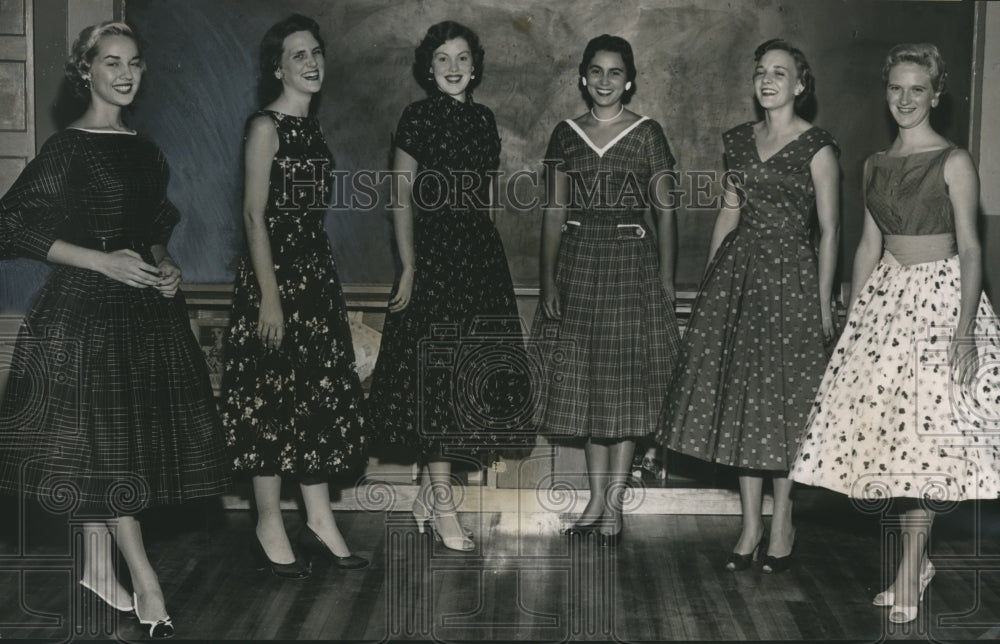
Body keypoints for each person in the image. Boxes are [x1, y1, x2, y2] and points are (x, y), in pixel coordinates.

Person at [0, 21, 230, 639]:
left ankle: (98, 567)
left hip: (144, 312)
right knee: (110, 451)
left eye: (133, 64)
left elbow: (155, 220)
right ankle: (146, 580)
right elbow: (10, 227)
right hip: (83, 313)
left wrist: (165, 261)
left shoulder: (145, 148)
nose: (125, 74)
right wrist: (104, 261)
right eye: (111, 63)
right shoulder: (67, 150)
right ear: (86, 72)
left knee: (116, 448)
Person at [790, 43, 1000, 624]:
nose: (905, 99)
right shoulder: (875, 163)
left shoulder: (954, 160)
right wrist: (855, 322)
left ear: (936, 96)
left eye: (917, 90)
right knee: (896, 450)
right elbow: (867, 245)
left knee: (929, 448)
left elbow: (973, 247)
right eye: (896, 89)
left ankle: (910, 570)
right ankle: (916, 563)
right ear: (886, 94)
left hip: (940, 305)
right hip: (887, 303)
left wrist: (964, 334)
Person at [659, 39, 840, 572]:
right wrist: (711, 283)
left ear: (799, 86)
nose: (768, 80)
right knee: (743, 403)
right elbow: (728, 214)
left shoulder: (819, 146)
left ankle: (782, 519)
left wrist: (825, 301)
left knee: (785, 406)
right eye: (761, 72)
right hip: (739, 280)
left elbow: (829, 231)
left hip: (794, 281)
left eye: (780, 73)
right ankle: (750, 523)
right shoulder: (739, 141)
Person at [367, 21, 527, 552]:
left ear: (474, 66)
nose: (454, 68)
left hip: (477, 257)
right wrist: (409, 266)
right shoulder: (416, 117)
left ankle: (428, 498)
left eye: (462, 58)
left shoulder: (483, 120)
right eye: (442, 60)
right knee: (437, 383)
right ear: (428, 71)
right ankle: (441, 506)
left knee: (465, 381)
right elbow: (400, 196)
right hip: (433, 259)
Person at [219, 14, 368, 578]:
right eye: (297, 55)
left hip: (315, 280)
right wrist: (270, 298)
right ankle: (268, 520)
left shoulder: (314, 128)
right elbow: (255, 216)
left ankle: (319, 517)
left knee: (316, 400)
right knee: (269, 399)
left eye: (315, 52)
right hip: (272, 281)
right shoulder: (266, 127)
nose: (310, 62)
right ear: (277, 67)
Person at [534, 34, 681, 545]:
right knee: (591, 393)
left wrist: (665, 279)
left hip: (629, 266)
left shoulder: (646, 134)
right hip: (577, 265)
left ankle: (614, 506)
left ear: (630, 79)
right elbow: (553, 210)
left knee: (622, 391)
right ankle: (594, 502)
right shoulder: (566, 134)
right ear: (582, 77)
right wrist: (548, 277)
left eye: (614, 72)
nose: (604, 81)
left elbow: (665, 211)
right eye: (595, 71)